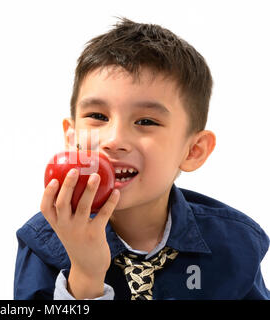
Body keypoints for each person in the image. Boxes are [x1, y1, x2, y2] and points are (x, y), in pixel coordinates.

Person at [14, 17, 270, 300]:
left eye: (146, 121)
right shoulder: (44, 240)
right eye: (98, 117)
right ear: (72, 139)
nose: (114, 140)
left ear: (193, 151)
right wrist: (86, 276)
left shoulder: (234, 242)